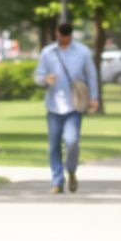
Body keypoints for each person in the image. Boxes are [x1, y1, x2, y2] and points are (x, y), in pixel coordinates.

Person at [34, 22, 99, 194]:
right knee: (54, 144)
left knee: (72, 142)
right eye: (61, 35)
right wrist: (45, 79)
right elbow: (38, 76)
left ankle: (71, 170)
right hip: (54, 105)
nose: (64, 38)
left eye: (67, 35)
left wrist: (94, 97)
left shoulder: (82, 52)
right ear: (56, 33)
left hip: (75, 105)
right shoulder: (48, 52)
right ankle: (57, 181)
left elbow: (91, 75)